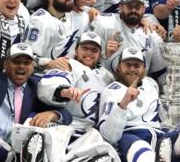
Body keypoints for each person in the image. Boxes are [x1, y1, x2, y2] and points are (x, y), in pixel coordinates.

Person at [98, 47, 180, 162]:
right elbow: (109, 136)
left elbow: (168, 110)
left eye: (137, 65)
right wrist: (123, 104)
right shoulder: (112, 90)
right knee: (142, 150)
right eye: (128, 64)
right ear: (119, 67)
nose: (132, 69)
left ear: (144, 68)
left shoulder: (151, 84)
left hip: (158, 135)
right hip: (129, 137)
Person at [0, 40, 72, 161]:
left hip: (20, 154)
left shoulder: (37, 87)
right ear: (5, 64)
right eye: (16, 62)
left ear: (33, 66)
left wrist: (52, 114)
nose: (21, 66)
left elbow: (67, 116)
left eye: (27, 62)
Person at [37, 31, 120, 160]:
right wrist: (64, 91)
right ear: (76, 50)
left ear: (99, 54)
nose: (89, 53)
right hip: (65, 127)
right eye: (85, 48)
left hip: (90, 133)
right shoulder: (69, 64)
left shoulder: (107, 76)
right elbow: (49, 83)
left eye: (94, 50)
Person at [90, 0, 171, 85]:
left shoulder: (152, 35)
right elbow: (88, 60)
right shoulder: (104, 24)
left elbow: (160, 72)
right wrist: (105, 55)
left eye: (137, 7)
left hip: (140, 90)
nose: (133, 10)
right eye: (129, 6)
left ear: (144, 9)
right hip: (105, 85)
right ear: (121, 7)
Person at [25, 0, 97, 72]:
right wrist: (49, 63)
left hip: (77, 73)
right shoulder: (40, 22)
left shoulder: (77, 14)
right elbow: (28, 58)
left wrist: (92, 10)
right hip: (50, 77)